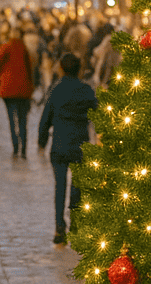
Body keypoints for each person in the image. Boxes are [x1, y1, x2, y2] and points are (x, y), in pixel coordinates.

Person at [38, 53, 99, 244]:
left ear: (62, 68)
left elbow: (46, 116)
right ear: (79, 69)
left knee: (60, 187)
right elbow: (97, 115)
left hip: (59, 144)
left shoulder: (56, 89)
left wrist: (41, 141)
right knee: (77, 187)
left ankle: (59, 227)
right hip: (80, 144)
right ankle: (75, 221)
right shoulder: (86, 90)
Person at [0, 29, 35, 158]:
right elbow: (29, 69)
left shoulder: (5, 47)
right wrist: (31, 88)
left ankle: (15, 146)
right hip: (23, 90)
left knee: (11, 119)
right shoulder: (23, 48)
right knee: (23, 120)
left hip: (8, 90)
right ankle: (24, 148)